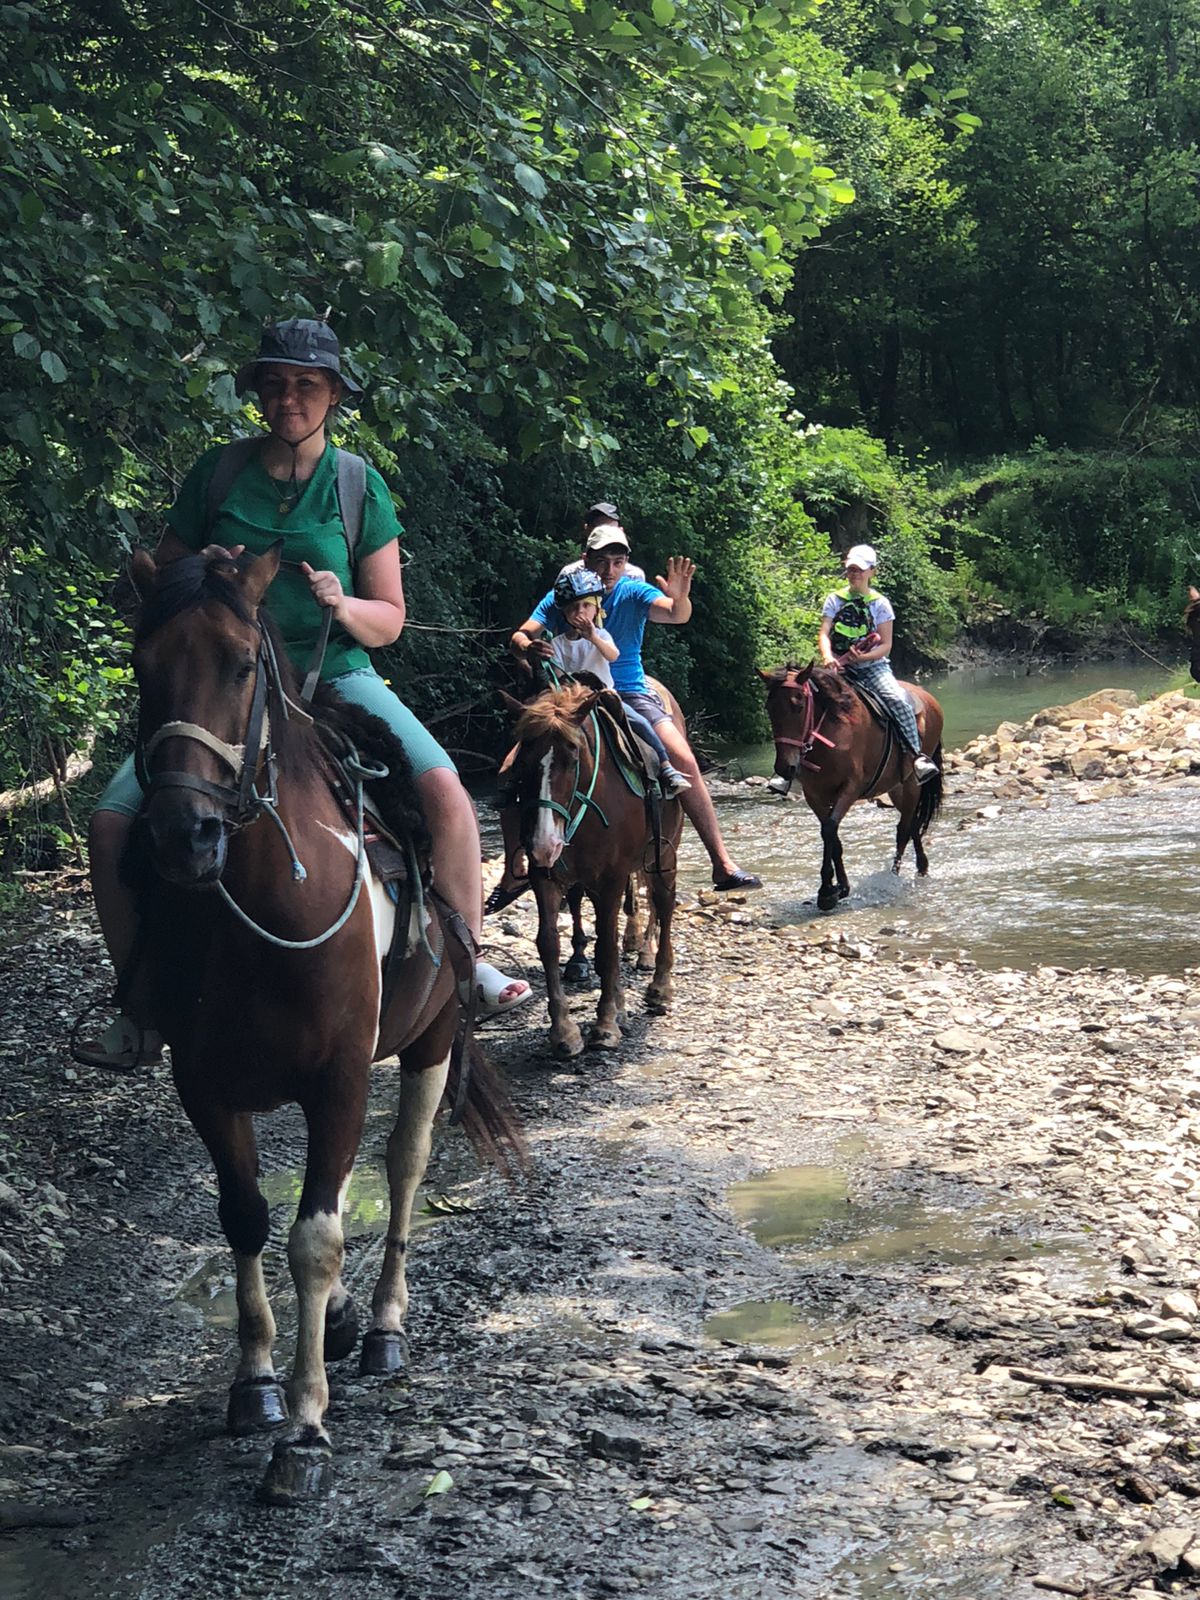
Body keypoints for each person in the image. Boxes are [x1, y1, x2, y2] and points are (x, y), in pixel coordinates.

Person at [77, 318, 529, 1070]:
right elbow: (163, 587)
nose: (289, 398)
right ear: (258, 392)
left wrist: (339, 603)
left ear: (332, 396)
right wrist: (206, 577)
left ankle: (464, 965)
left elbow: (388, 618)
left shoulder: (357, 485)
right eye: (276, 383)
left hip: (336, 678)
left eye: (306, 385)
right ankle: (140, 1001)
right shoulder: (216, 475)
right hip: (224, 687)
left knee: (447, 792)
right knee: (111, 821)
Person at [495, 519, 761, 904]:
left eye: (618, 562)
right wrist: (528, 646)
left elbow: (675, 613)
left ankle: (721, 861)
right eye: (602, 562)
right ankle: (512, 871)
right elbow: (521, 634)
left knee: (682, 756)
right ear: (586, 560)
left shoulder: (634, 591)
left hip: (626, 689)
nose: (610, 571)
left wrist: (681, 595)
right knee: (511, 767)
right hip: (565, 695)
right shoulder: (563, 596)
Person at [538, 568, 691, 797]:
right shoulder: (558, 643)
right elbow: (559, 675)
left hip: (604, 695)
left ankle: (665, 766)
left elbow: (612, 655)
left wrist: (593, 638)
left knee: (637, 722)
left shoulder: (603, 635)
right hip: (572, 700)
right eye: (572, 608)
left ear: (597, 608)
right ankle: (517, 780)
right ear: (564, 613)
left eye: (585, 606)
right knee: (539, 726)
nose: (580, 612)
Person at [800, 542, 937, 785]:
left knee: (897, 699)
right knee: (803, 698)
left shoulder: (880, 604)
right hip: (838, 668)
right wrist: (828, 657)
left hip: (872, 667)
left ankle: (916, 756)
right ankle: (793, 764)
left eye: (860, 570)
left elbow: (885, 645)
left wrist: (861, 657)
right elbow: (824, 633)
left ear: (872, 572)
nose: (855, 574)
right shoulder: (834, 599)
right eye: (851, 569)